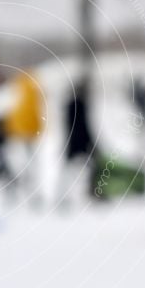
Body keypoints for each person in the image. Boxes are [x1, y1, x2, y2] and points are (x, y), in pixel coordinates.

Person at [4, 71, 45, 204]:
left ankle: (15, 190)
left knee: (20, 163)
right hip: (29, 134)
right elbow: (37, 114)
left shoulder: (18, 91)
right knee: (29, 164)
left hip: (18, 134)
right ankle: (30, 191)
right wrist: (38, 129)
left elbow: (12, 113)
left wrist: (11, 129)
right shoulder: (33, 92)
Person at [57, 78, 97, 208]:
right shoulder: (79, 104)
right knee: (75, 170)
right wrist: (91, 143)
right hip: (78, 143)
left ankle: (64, 196)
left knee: (69, 171)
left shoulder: (70, 104)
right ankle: (65, 196)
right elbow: (84, 126)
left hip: (72, 143)